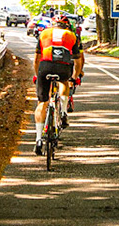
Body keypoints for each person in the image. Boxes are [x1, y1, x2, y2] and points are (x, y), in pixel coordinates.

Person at [33, 12, 82, 155]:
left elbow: (36, 59)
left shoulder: (43, 34)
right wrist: (74, 77)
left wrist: (37, 75)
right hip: (63, 68)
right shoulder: (71, 35)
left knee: (42, 103)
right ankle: (63, 112)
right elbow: (78, 61)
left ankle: (38, 139)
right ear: (66, 26)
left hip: (45, 68)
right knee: (64, 82)